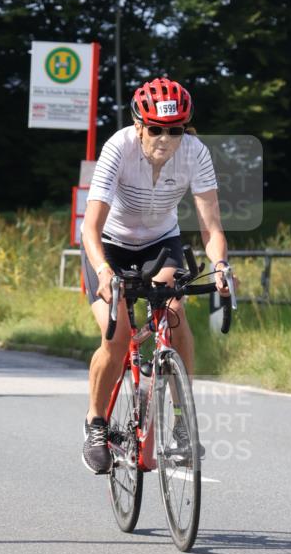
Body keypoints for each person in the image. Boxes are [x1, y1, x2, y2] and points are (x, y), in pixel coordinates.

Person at [80, 77, 234, 474]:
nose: (165, 139)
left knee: (175, 312)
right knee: (116, 337)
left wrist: (219, 266)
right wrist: (102, 270)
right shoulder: (118, 147)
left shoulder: (195, 153)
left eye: (176, 130)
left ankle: (182, 424)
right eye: (156, 129)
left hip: (160, 243)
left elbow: (211, 228)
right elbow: (89, 229)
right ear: (138, 125)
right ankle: (96, 422)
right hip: (110, 245)